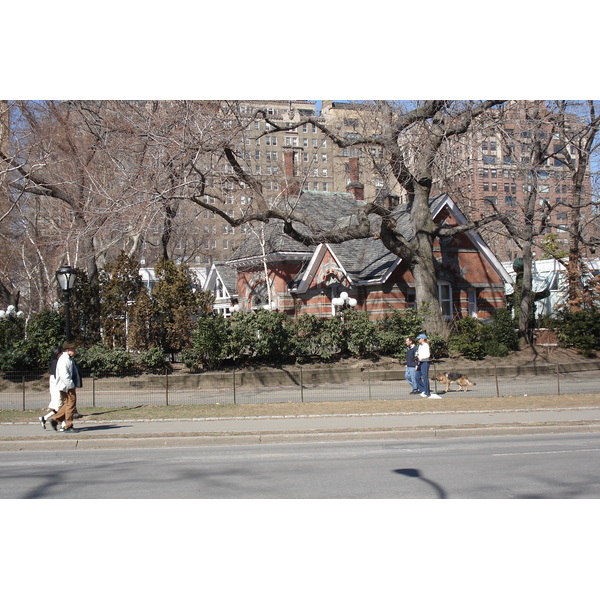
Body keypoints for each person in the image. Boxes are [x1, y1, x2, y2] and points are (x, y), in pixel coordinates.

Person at [48, 342, 83, 433]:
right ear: (67, 350)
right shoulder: (64, 359)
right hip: (67, 386)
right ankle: (68, 426)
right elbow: (64, 374)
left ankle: (55, 419)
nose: (75, 351)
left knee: (68, 405)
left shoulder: (67, 359)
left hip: (65, 386)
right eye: (73, 349)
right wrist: (71, 385)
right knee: (70, 405)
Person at [39, 347, 67, 429]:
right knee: (60, 405)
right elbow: (57, 376)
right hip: (57, 386)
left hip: (56, 385)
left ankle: (45, 418)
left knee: (61, 405)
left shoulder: (55, 362)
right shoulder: (56, 363)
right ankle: (63, 424)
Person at [415, 333, 441, 400]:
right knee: (417, 376)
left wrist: (421, 358)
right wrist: (417, 363)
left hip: (425, 363)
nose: (418, 340)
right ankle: (423, 390)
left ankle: (427, 392)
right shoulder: (420, 346)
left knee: (425, 377)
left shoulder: (426, 345)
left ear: (423, 339)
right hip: (420, 363)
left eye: (419, 338)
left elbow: (427, 355)